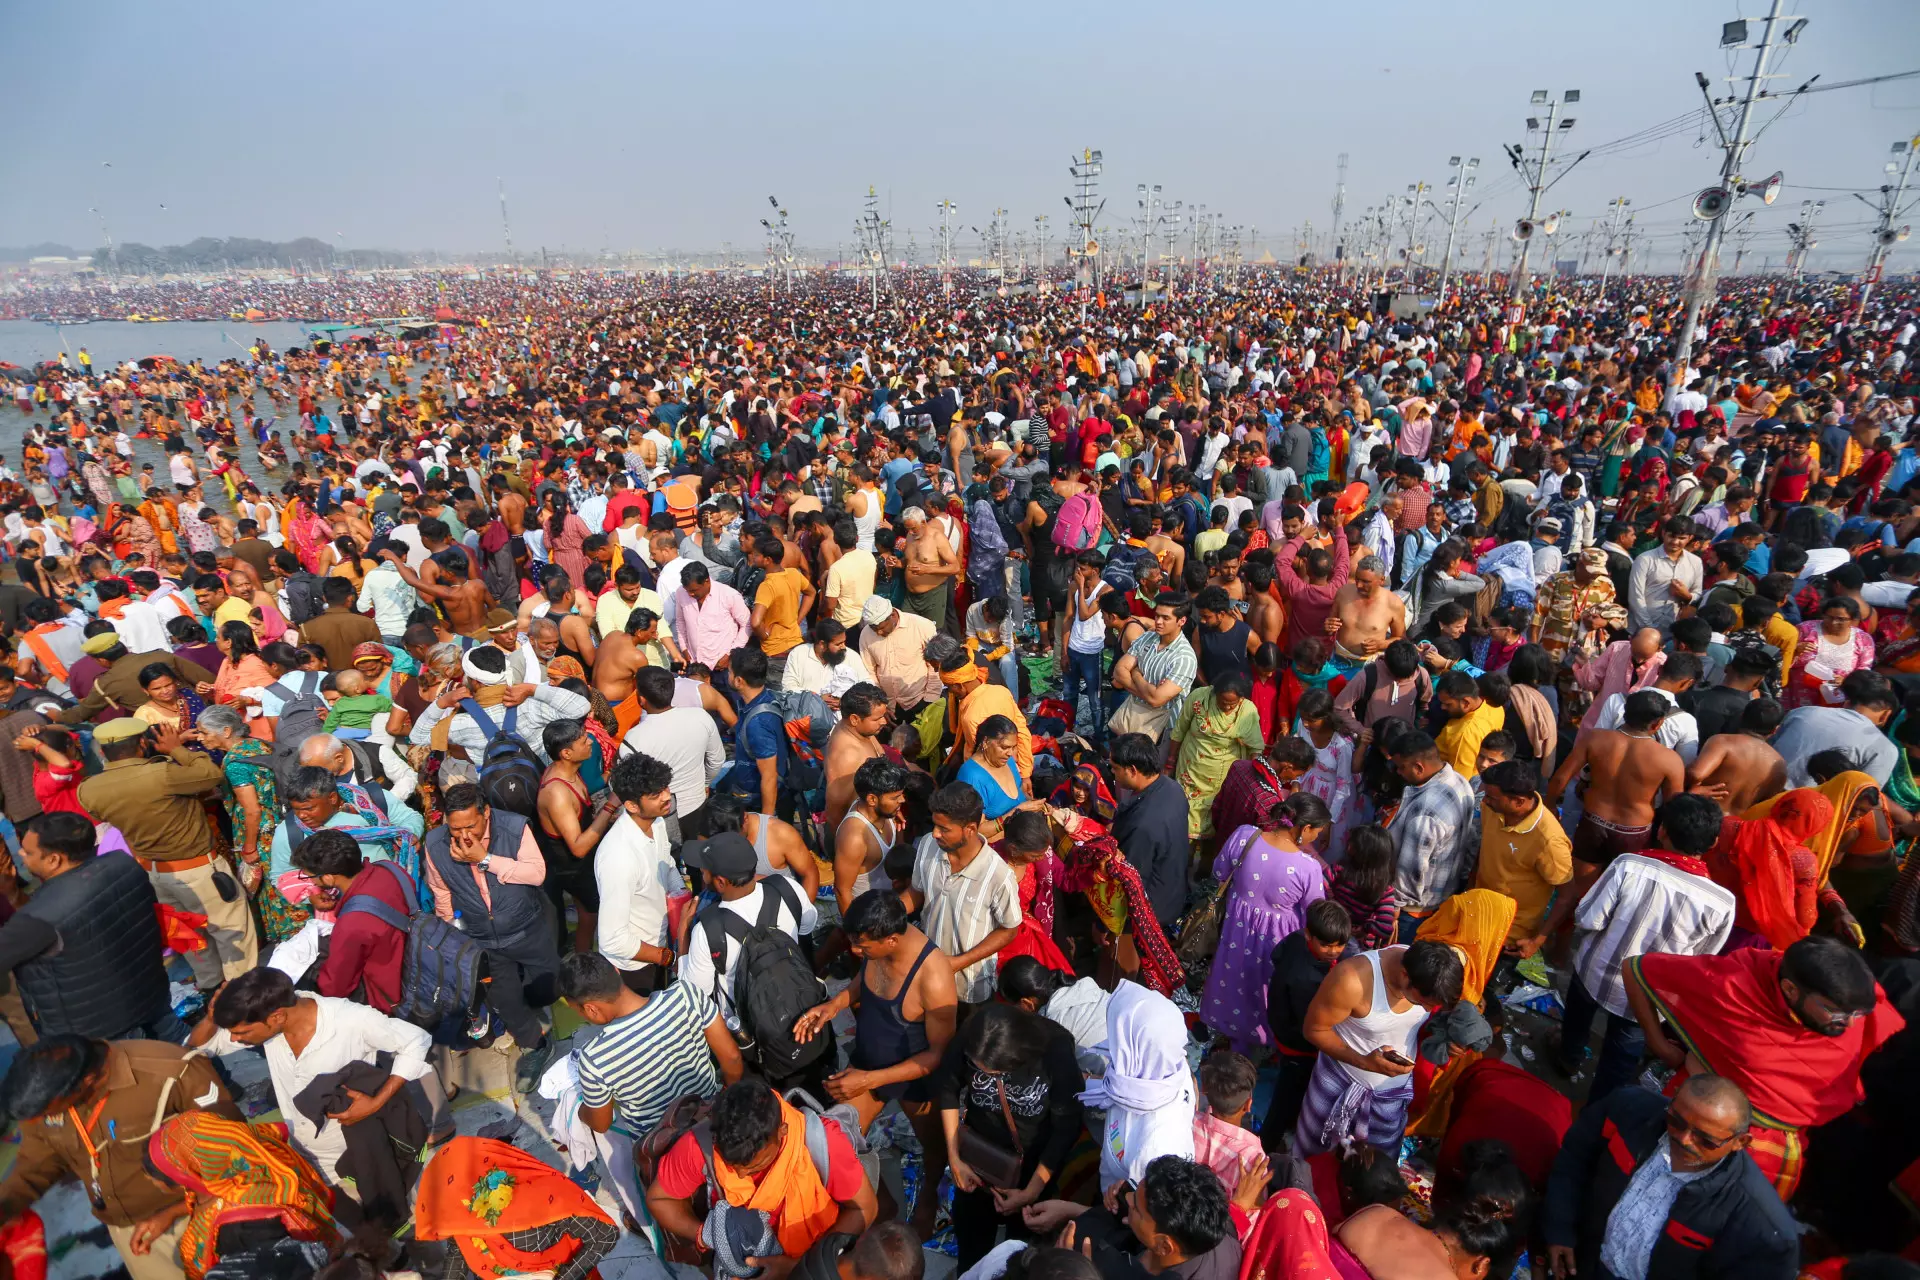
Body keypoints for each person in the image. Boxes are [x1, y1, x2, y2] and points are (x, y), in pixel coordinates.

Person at [1625, 934, 1904, 1199]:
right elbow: (1635, 968)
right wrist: (1658, 1043)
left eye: (1858, 1014)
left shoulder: (1847, 1003)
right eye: (1837, 1012)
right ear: (1790, 990)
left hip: (1771, 1148)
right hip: (1697, 1121)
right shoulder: (1732, 986)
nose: (1852, 1024)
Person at [0, 1034, 242, 1280]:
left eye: (48, 1110)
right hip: (132, 1233)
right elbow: (35, 1164)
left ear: (88, 1080)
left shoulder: (172, 1071)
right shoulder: (44, 1100)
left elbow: (237, 1155)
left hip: (200, 1214)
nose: (40, 1118)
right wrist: (4, 1207)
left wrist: (178, 1210)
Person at [792, 889, 958, 1235]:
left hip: (915, 1078)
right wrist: (834, 1004)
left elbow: (937, 1055)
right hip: (867, 1060)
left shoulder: (934, 974)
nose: (855, 952)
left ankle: (928, 1197)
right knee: (837, 1140)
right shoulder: (875, 941)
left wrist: (870, 1080)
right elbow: (864, 981)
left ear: (892, 940)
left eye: (863, 947)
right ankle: (882, 1203)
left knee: (933, 1148)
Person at [1560, 794, 1736, 1104]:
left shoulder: (1630, 865)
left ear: (1663, 830)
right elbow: (1700, 963)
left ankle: (1568, 1059)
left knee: (1576, 1021)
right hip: (1647, 1000)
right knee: (1619, 1061)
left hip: (1595, 972)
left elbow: (1589, 917)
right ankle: (1598, 1113)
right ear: (1712, 843)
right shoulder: (1722, 903)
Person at [1544, 1076, 1797, 1280]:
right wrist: (1559, 1228)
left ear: (1740, 1142)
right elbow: (1574, 1160)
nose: (1684, 1140)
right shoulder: (1626, 1109)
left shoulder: (1761, 1225)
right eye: (1676, 1120)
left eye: (1705, 1139)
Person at [557, 952, 742, 1225]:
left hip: (661, 1151)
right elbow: (732, 1058)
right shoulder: (686, 995)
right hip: (712, 1119)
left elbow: (601, 1123)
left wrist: (578, 1109)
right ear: (617, 973)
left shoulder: (595, 1058)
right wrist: (726, 1104)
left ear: (591, 1009)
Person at [75, 718, 258, 991]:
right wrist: (176, 749)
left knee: (189, 935)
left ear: (103, 752)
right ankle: (245, 991)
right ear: (141, 744)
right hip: (199, 870)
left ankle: (210, 985)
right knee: (231, 929)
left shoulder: (88, 789)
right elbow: (211, 774)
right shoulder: (162, 773)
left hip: (154, 873)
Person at [646, 1080, 878, 1265]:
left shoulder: (826, 1145)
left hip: (813, 1261)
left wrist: (798, 1266)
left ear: (782, 1131)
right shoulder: (699, 1147)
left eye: (756, 1166)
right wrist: (707, 1234)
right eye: (732, 1165)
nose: (742, 1176)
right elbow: (659, 1198)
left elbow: (864, 1209)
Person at [0, 812, 180, 1042]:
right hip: (151, 995)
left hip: (101, 1029)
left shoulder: (39, 917)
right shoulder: (122, 864)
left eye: (28, 852)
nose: (20, 855)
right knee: (187, 1055)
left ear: (54, 859)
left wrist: (10, 897)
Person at [425, 782, 559, 1090]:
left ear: (486, 813)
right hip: (481, 938)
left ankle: (534, 1003)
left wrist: (484, 859)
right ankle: (534, 1043)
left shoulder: (513, 828)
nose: (462, 836)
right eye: (454, 828)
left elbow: (536, 873)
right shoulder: (435, 845)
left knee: (548, 986)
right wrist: (450, 932)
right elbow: (441, 891)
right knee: (504, 997)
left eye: (470, 825)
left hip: (528, 927)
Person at [934, 1003, 1083, 1270]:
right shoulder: (976, 1034)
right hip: (978, 1162)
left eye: (994, 1074)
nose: (980, 1074)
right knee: (972, 1249)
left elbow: (1066, 1126)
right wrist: (954, 1158)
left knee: (1024, 1257)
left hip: (1036, 1168)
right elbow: (948, 1088)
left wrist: (1030, 1192)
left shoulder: (1056, 1050)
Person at [1293, 938, 1464, 1157]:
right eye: (1423, 1003)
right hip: (1338, 1085)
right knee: (1315, 1157)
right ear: (1404, 976)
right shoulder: (1352, 980)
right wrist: (1365, 1062)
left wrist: (1444, 1039)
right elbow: (1314, 1030)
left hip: (1391, 1095)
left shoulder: (1432, 976)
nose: (1429, 1009)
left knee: (1375, 1170)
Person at [1546, 690, 1688, 930]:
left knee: (1576, 893)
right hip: (1633, 833)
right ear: (1658, 723)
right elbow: (1675, 807)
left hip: (1593, 822)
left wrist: (1550, 807)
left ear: (1625, 713)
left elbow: (1560, 778)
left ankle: (1557, 955)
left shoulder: (1595, 739)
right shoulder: (1669, 759)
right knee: (1620, 901)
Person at [1201, 791, 1330, 1054]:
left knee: (1232, 981)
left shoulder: (1245, 836)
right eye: (1317, 832)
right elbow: (1315, 914)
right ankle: (1256, 1047)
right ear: (1305, 828)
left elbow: (1218, 871)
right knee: (1263, 994)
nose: (1317, 838)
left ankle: (1229, 1036)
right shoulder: (1308, 868)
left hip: (1235, 932)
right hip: (1275, 945)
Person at [143, 1112, 339, 1280]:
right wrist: (172, 1212)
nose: (148, 1180)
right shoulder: (236, 1174)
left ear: (182, 1175)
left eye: (152, 1176)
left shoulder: (244, 1228)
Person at [415, 1137, 619, 1280]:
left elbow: (605, 1235)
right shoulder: (463, 1208)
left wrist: (566, 1277)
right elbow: (458, 1251)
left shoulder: (544, 1196)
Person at [902, 783, 1021, 1009]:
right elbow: (917, 892)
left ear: (970, 829)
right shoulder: (928, 845)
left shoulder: (998, 875)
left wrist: (957, 963)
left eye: (944, 829)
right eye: (935, 825)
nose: (935, 833)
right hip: (927, 971)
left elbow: (1009, 929)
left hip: (970, 987)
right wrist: (889, 912)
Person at [1085, 979, 1199, 1194]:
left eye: (1119, 1034)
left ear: (1136, 1048)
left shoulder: (1156, 1150)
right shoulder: (1168, 1064)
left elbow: (1141, 1216)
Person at [594, 750, 681, 995]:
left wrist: (680, 894)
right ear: (631, 805)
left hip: (662, 943)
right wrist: (667, 957)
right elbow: (613, 938)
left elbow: (667, 864)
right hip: (636, 963)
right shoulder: (618, 857)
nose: (667, 797)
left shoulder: (658, 821)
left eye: (665, 788)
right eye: (656, 795)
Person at [1382, 730, 1479, 940]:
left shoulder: (1424, 813)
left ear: (1418, 767)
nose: (1398, 772)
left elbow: (1411, 870)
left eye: (1401, 767)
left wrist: (1394, 908)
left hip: (1413, 909)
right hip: (1443, 895)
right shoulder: (1460, 781)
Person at [1474, 759, 1573, 959]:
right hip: (1475, 915)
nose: (1484, 801)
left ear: (1518, 801)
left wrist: (1537, 941)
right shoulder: (1494, 808)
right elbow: (1485, 850)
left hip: (1508, 938)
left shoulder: (1549, 841)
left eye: (1491, 797)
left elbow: (1567, 895)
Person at [1108, 731, 1192, 938]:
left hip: (1150, 909)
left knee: (1126, 959)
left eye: (1116, 768)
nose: (1113, 773)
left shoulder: (1142, 825)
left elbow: (1130, 880)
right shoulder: (1172, 788)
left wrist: (1107, 926)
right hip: (1173, 890)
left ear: (1132, 770)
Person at [1170, 669, 1266, 842]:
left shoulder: (1248, 711)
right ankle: (1185, 859)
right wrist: (1170, 762)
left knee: (1216, 822)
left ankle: (1207, 865)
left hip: (1222, 779)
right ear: (1214, 693)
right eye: (1223, 702)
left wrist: (1253, 780)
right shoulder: (1199, 698)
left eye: (1232, 704)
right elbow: (1179, 730)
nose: (1227, 707)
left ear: (1241, 699)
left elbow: (1255, 748)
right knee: (1185, 821)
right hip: (1191, 770)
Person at [1770, 669, 1901, 788]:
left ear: (1847, 702)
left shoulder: (1802, 712)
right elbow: (1862, 796)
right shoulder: (1884, 748)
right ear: (1886, 715)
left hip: (1761, 786)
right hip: (1804, 808)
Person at [1108, 595, 1200, 747]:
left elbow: (1157, 699)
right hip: (1134, 716)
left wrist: (1136, 673)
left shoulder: (1184, 657)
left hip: (1163, 730)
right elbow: (1119, 671)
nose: (1158, 622)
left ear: (1181, 621)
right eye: (1157, 616)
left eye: (1165, 618)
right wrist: (1150, 693)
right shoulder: (1147, 638)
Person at [1685, 694, 1787, 815]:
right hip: (1737, 826)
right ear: (1775, 729)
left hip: (1700, 815)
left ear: (1742, 715)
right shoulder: (1779, 764)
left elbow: (1696, 774)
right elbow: (1765, 802)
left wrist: (1693, 791)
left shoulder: (1723, 742)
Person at [833, 758, 909, 914]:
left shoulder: (884, 810)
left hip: (888, 906)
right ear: (872, 799)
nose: (902, 800)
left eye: (901, 795)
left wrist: (895, 810)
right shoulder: (854, 837)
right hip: (868, 917)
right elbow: (842, 891)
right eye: (895, 798)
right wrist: (858, 935)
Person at [957, 713, 1039, 841]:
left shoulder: (1007, 760)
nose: (1010, 753)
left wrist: (1036, 805)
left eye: (1013, 747)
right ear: (985, 742)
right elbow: (975, 832)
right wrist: (1017, 812)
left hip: (1027, 835)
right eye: (1005, 747)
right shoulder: (971, 776)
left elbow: (1018, 795)